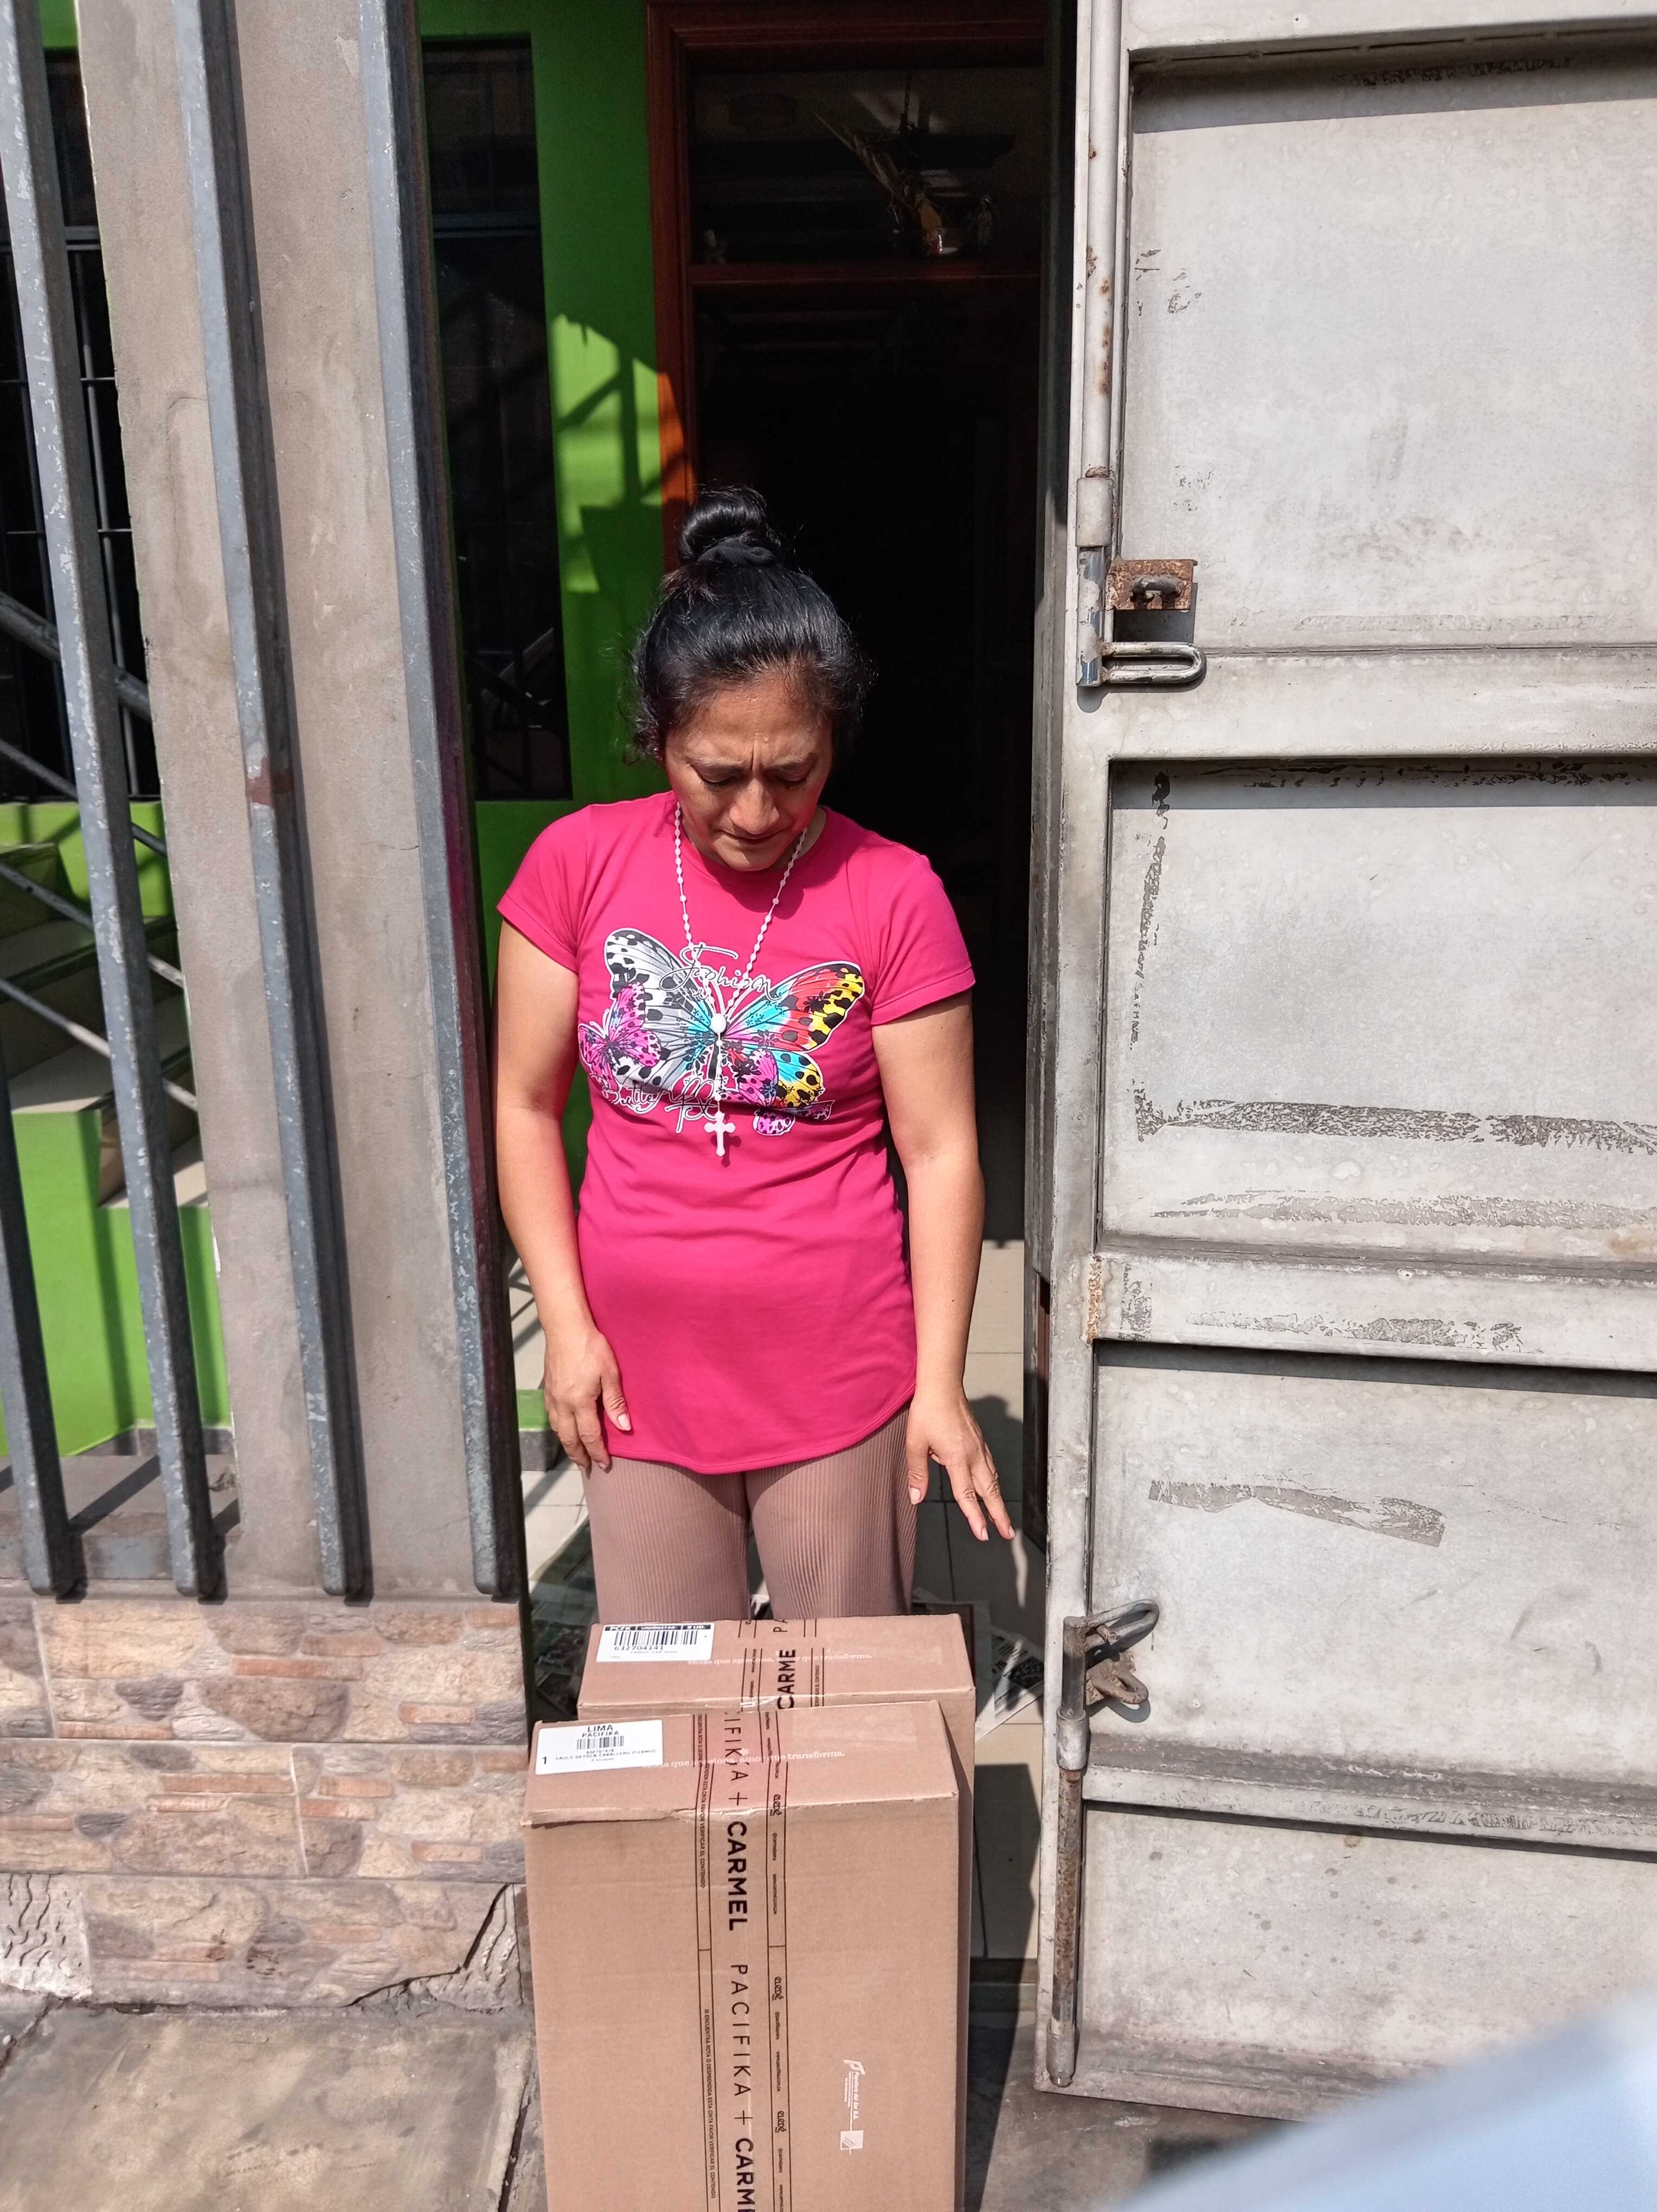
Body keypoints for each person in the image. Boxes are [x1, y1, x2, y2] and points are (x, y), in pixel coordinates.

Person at [493, 485, 1013, 1623]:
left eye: (794, 769)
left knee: (839, 1698)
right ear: (659, 737)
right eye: (718, 774)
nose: (757, 810)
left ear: (834, 740)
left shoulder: (893, 893)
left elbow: (939, 1155)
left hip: (836, 1369)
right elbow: (524, 1107)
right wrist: (566, 1329)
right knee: (676, 1697)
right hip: (632, 1371)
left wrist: (939, 1384)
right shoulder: (575, 866)